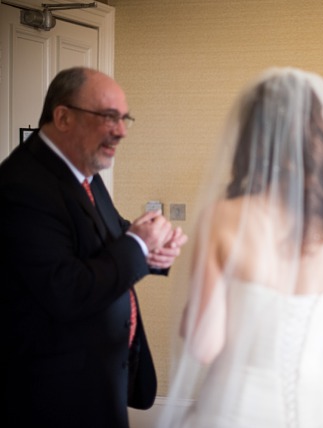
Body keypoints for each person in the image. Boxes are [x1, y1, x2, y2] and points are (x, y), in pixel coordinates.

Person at [158, 68, 323, 427]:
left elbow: (204, 345)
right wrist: (313, 344)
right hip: (322, 407)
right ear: (321, 135)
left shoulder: (222, 219)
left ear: (250, 138)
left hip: (235, 410)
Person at [0, 67, 187, 428]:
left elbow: (113, 236)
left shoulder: (84, 173)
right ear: (63, 116)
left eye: (124, 118)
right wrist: (137, 244)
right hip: (54, 397)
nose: (121, 130)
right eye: (108, 117)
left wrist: (153, 252)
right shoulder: (21, 186)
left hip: (99, 378)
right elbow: (66, 289)